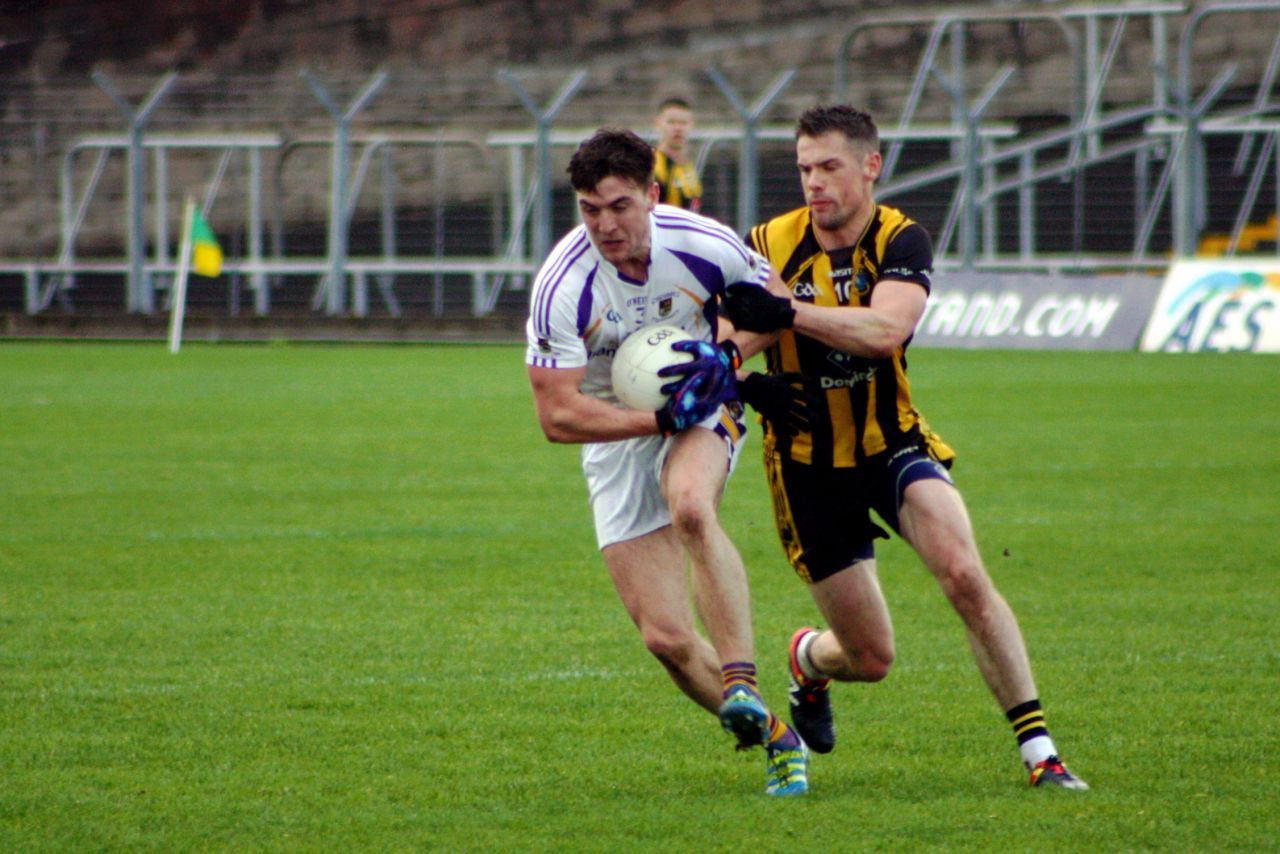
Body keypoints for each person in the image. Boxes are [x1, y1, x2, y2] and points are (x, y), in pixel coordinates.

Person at [722, 105, 1089, 790]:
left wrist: (791, 313)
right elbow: (730, 335)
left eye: (829, 166)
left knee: (965, 576)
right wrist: (741, 379)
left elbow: (886, 331)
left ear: (871, 166)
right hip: (805, 467)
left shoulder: (902, 239)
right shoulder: (765, 245)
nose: (814, 182)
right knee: (870, 657)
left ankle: (1041, 755)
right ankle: (809, 660)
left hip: (891, 444)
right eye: (804, 168)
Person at [524, 127, 807, 796]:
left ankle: (741, 678)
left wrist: (729, 358)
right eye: (590, 209)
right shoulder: (562, 287)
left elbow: (775, 305)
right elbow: (557, 416)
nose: (605, 224)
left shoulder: (703, 243)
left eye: (619, 205)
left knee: (689, 504)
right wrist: (655, 419)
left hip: (704, 404)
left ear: (652, 195)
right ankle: (777, 736)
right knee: (666, 639)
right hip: (618, 432)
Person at [652, 97, 703, 212]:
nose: (678, 128)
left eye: (683, 123)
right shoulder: (651, 165)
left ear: (691, 125)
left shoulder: (689, 169)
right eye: (671, 122)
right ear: (658, 123)